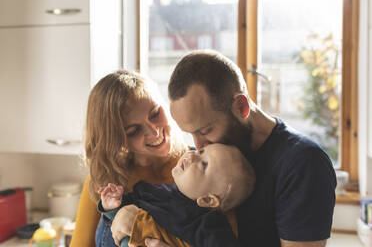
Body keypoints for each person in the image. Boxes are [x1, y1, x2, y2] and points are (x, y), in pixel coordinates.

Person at [122, 50, 335, 247]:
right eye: (191, 134)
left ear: (241, 106)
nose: (197, 146)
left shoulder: (303, 164)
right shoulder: (209, 158)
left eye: (205, 130)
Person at [70, 70, 187, 247]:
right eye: (134, 131)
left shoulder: (202, 166)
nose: (154, 132)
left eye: (155, 113)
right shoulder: (103, 183)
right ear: (116, 139)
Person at [98, 143, 255, 247]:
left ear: (207, 199)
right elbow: (117, 223)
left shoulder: (207, 226)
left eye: (203, 164)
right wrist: (114, 204)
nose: (192, 154)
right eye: (201, 151)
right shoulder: (156, 191)